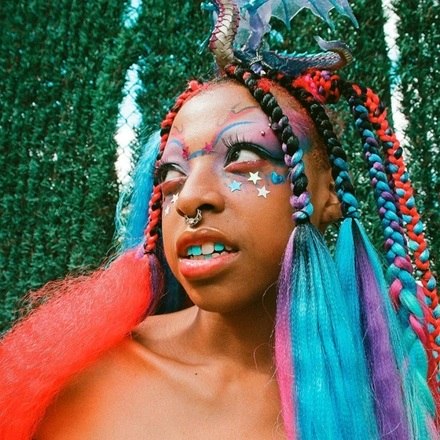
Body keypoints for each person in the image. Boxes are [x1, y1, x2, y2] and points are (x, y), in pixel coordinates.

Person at [1, 1, 439, 439]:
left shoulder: (390, 395)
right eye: (172, 175)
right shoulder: (68, 377)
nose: (191, 198)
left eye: (242, 158)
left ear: (330, 194)